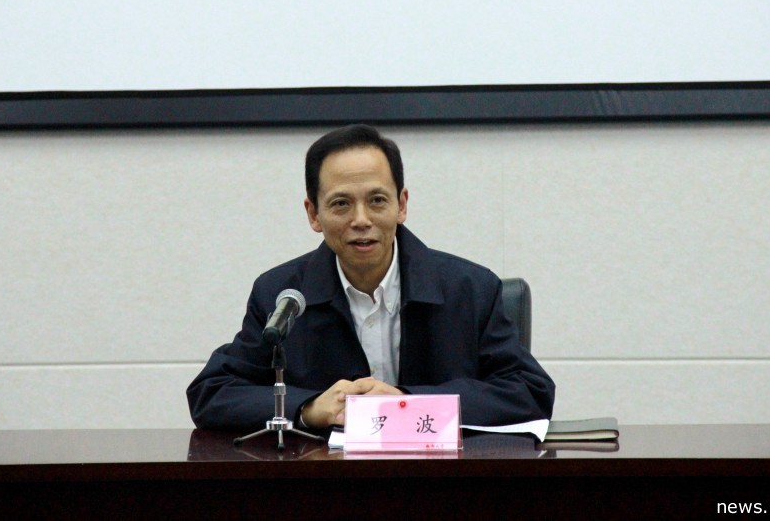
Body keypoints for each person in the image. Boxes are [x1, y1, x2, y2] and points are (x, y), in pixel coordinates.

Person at [187, 124, 554, 432]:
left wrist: (409, 402)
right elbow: (213, 392)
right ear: (313, 214)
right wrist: (307, 408)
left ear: (402, 205)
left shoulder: (471, 288)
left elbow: (529, 391)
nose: (361, 220)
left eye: (377, 200)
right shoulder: (282, 295)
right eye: (341, 204)